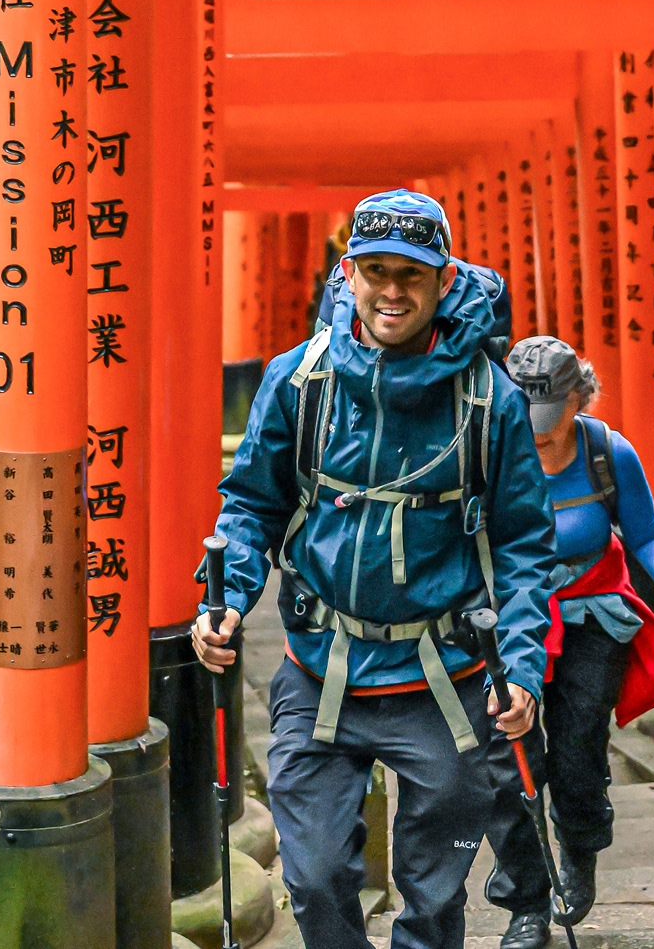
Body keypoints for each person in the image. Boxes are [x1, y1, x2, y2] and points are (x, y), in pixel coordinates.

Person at [194, 189, 557, 949]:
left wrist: (519, 667)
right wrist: (225, 599)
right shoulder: (299, 379)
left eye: (413, 275)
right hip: (320, 666)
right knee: (316, 878)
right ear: (347, 272)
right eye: (375, 270)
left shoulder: (490, 397)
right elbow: (251, 501)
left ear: (445, 279)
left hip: (444, 679)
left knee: (433, 898)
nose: (393, 290)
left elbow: (524, 544)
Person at [484, 335, 654, 949]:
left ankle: (579, 853)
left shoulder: (608, 453)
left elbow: (645, 535)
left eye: (551, 422)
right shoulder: (493, 449)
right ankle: (526, 899)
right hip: (507, 618)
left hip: (590, 614)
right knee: (510, 757)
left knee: (578, 746)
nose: (540, 435)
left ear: (580, 398)